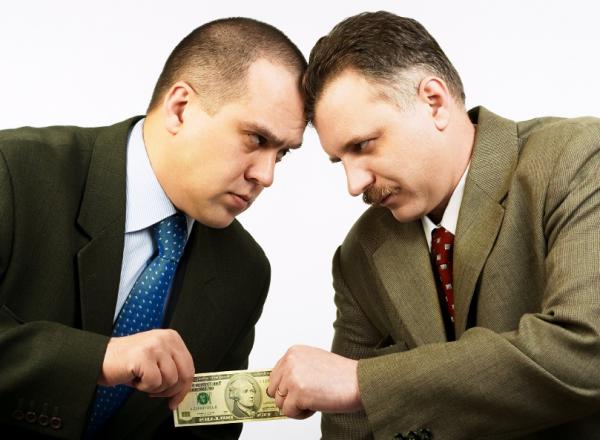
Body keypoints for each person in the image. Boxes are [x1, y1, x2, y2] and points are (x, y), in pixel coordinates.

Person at [267, 10, 600, 440]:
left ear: (434, 102)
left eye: (363, 145)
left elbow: (586, 353)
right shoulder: (361, 252)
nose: (354, 184)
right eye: (340, 161)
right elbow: (349, 431)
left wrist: (365, 382)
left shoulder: (577, 160)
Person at [0, 17, 306, 439]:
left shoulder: (245, 271)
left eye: (282, 154)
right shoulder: (14, 171)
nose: (266, 175)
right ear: (180, 109)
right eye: (255, 139)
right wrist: (98, 358)